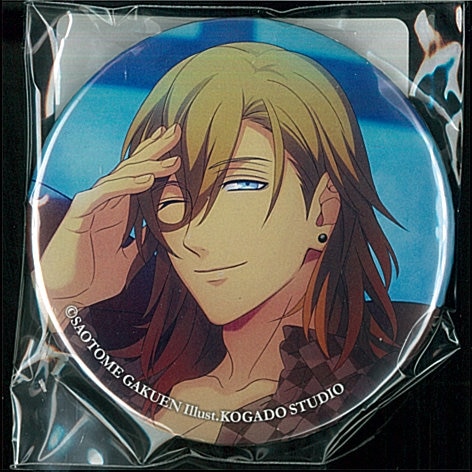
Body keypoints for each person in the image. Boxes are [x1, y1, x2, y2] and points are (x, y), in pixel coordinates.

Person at [37, 42, 407, 445]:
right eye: (173, 200)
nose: (194, 236)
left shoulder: (360, 382)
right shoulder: (140, 365)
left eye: (241, 185)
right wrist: (64, 295)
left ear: (324, 210)